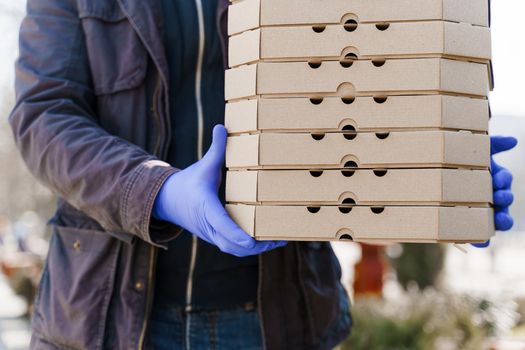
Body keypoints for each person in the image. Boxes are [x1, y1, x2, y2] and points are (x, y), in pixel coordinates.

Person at [8, 0, 515, 349]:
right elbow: (45, 115)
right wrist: (160, 191)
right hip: (109, 319)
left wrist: (437, 170)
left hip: (278, 315)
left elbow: (361, 72)